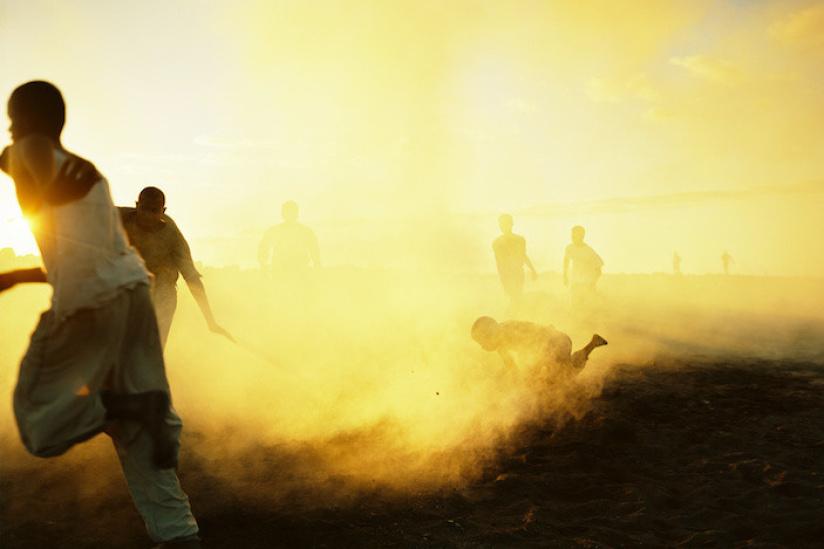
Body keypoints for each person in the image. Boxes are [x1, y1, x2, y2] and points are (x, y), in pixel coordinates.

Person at [0, 81, 200, 548]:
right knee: (140, 442)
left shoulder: (32, 154)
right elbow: (98, 259)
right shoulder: (91, 180)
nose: (11, 130)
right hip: (132, 301)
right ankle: (179, 535)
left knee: (38, 425)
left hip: (90, 308)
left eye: (13, 120)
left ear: (29, 123)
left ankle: (120, 404)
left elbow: (13, 158)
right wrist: (17, 277)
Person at [120, 187, 232, 348]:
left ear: (163, 211)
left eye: (154, 211)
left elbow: (192, 279)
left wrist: (210, 321)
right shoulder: (121, 217)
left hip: (163, 291)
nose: (148, 216)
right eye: (144, 209)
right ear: (137, 205)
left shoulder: (172, 237)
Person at [471, 316, 607, 378]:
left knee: (564, 376)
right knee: (543, 378)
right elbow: (511, 366)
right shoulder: (501, 337)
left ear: (489, 335)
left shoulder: (506, 334)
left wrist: (533, 372)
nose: (483, 347)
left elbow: (534, 348)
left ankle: (592, 344)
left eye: (483, 342)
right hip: (554, 342)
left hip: (558, 344)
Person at [257, 200, 321, 294]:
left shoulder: (275, 231)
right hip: (287, 275)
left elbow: (315, 253)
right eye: (288, 212)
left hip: (294, 274)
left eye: (291, 212)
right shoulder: (305, 231)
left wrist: (264, 268)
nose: (289, 215)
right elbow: (262, 250)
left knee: (288, 302)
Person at [492, 214, 538, 308]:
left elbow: (522, 255)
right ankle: (514, 316)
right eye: (502, 224)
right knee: (515, 298)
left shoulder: (519, 240)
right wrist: (503, 279)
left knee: (516, 298)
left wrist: (532, 269)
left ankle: (515, 316)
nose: (504, 226)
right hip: (509, 274)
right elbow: (499, 263)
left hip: (516, 273)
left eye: (506, 223)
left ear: (512, 224)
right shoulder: (497, 243)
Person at [563, 226, 604, 311]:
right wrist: (565, 276)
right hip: (575, 283)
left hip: (588, 284)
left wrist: (591, 285)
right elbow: (566, 260)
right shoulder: (569, 248)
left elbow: (598, 271)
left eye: (575, 235)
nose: (572, 237)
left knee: (589, 310)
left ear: (582, 236)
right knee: (575, 308)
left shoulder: (589, 252)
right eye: (572, 235)